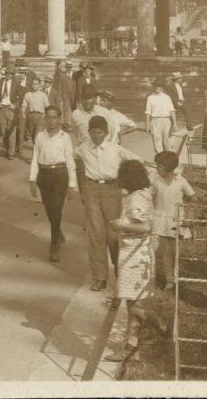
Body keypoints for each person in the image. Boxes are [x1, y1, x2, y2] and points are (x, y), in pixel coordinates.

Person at [78, 115, 144, 291]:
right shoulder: (83, 149)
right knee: (95, 235)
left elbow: (137, 161)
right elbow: (66, 157)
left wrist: (125, 182)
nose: (96, 136)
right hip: (91, 191)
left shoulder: (115, 149)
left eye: (99, 132)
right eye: (93, 132)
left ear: (106, 133)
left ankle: (119, 273)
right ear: (89, 132)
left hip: (111, 191)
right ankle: (99, 277)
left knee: (114, 236)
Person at [104, 160, 155, 377]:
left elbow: (145, 226)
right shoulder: (141, 194)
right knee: (132, 303)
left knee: (135, 305)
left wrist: (120, 226)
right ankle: (131, 347)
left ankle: (156, 332)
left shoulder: (136, 199)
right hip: (135, 254)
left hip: (135, 256)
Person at [29, 106, 78, 262]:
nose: (51, 120)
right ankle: (58, 233)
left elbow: (70, 160)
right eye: (48, 117)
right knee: (49, 209)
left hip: (60, 175)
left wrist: (71, 184)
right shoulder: (40, 136)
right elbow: (35, 157)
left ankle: (53, 245)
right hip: (44, 175)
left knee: (56, 210)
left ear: (59, 119)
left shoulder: (65, 138)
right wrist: (32, 179)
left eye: (54, 117)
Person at [151, 150, 195, 290]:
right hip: (161, 220)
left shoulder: (181, 181)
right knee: (166, 252)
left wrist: (190, 215)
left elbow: (193, 197)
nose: (157, 169)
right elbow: (151, 198)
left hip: (177, 221)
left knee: (176, 252)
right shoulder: (156, 181)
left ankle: (177, 278)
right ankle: (170, 280)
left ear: (168, 167)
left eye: (159, 166)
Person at [0, 65, 25, 159]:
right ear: (5, 74)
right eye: (7, 73)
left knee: (12, 130)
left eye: (11, 74)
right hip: (2, 108)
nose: (8, 75)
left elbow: (21, 97)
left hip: (11, 108)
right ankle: (6, 147)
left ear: (13, 75)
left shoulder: (16, 84)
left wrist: (15, 105)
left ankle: (11, 153)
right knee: (3, 130)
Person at [145, 77, 176, 155]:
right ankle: (160, 160)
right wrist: (147, 125)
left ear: (162, 88)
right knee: (157, 142)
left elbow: (172, 111)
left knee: (167, 142)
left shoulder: (167, 97)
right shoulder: (150, 98)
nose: (157, 88)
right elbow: (148, 113)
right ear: (153, 87)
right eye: (155, 86)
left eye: (159, 86)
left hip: (166, 121)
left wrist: (175, 124)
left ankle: (168, 159)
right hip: (155, 121)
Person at [21, 75, 50, 147]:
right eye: (33, 83)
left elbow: (47, 107)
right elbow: (24, 105)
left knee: (37, 135)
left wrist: (46, 116)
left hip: (40, 116)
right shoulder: (28, 94)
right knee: (33, 136)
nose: (34, 85)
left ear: (39, 85)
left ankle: (38, 152)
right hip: (31, 116)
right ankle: (37, 149)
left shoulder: (43, 95)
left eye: (36, 84)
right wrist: (23, 113)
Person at [50, 60, 77, 129]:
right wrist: (60, 96)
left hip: (72, 96)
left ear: (72, 68)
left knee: (69, 110)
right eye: (67, 67)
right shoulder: (62, 75)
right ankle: (63, 124)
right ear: (66, 68)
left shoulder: (75, 75)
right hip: (64, 95)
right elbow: (59, 86)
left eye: (70, 67)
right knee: (64, 110)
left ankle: (68, 124)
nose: (69, 69)